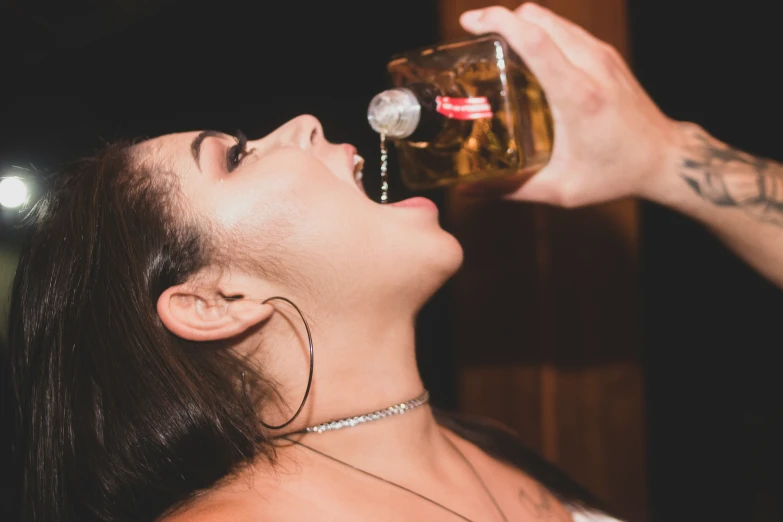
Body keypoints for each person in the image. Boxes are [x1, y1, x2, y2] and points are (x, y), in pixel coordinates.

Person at [5, 3, 781, 522]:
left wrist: (661, 156)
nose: (303, 122)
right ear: (214, 300)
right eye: (236, 156)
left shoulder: (490, 446)